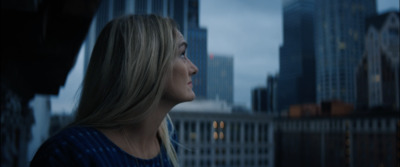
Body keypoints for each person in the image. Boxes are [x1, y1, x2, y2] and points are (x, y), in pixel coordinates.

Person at [30, 14, 198, 167]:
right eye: (182, 54)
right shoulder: (69, 154)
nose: (194, 68)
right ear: (147, 67)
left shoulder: (167, 140)